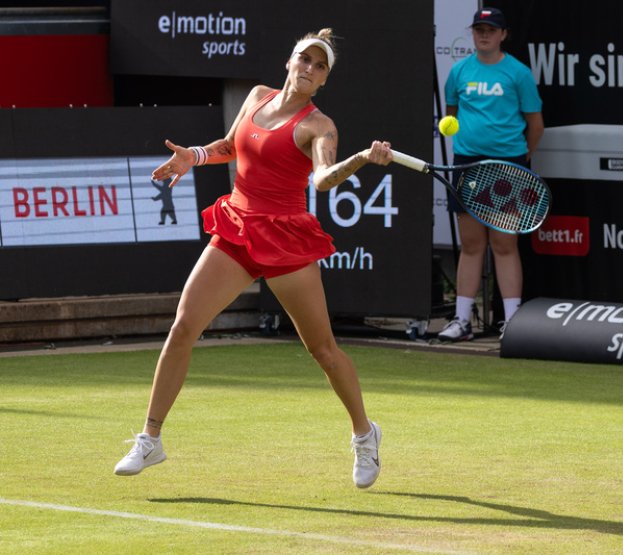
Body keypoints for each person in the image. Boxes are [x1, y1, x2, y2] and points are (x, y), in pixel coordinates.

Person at [113, 28, 392, 489]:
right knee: (184, 326)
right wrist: (195, 157)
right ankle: (150, 438)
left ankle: (364, 433)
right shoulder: (257, 96)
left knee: (322, 350)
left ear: (323, 82)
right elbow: (230, 145)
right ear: (290, 61)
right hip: (238, 228)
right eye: (305, 59)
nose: (310, 69)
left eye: (320, 67)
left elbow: (322, 180)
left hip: (285, 239)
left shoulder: (319, 126)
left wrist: (362, 158)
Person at [439, 7, 544, 342]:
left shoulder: (518, 73)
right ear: (472, 33)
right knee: (472, 244)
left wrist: (521, 156)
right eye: (479, 29)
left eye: (490, 29)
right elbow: (451, 115)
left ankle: (512, 323)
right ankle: (461, 321)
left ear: (503, 35)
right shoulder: (458, 72)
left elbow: (536, 124)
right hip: (468, 163)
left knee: (504, 243)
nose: (483, 34)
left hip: (507, 165)